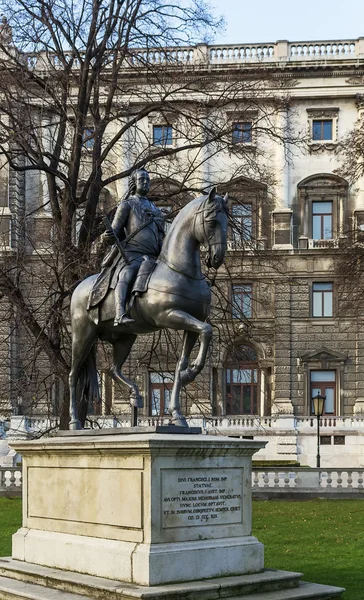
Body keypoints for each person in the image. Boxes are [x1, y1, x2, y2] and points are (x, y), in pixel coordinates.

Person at [88, 169, 164, 325]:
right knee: (128, 273)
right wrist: (106, 236)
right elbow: (114, 231)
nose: (146, 183)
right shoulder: (127, 204)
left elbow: (162, 235)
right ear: (134, 184)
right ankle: (120, 313)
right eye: (142, 180)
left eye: (148, 180)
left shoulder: (156, 210)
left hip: (154, 256)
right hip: (132, 254)